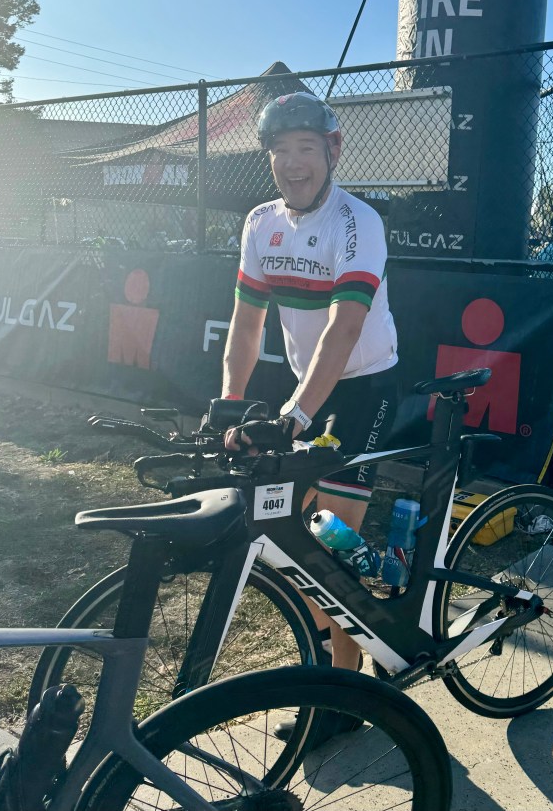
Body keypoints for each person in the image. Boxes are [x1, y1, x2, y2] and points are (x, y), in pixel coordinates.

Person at [221, 92, 399, 738]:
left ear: (334, 149)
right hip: (311, 391)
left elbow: (344, 329)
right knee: (294, 541)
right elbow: (246, 324)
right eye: (279, 151)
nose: (292, 163)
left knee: (328, 551)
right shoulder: (260, 223)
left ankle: (340, 703)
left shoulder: (358, 222)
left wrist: (295, 415)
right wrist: (228, 404)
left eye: (305, 148)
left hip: (364, 388)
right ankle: (363, 641)